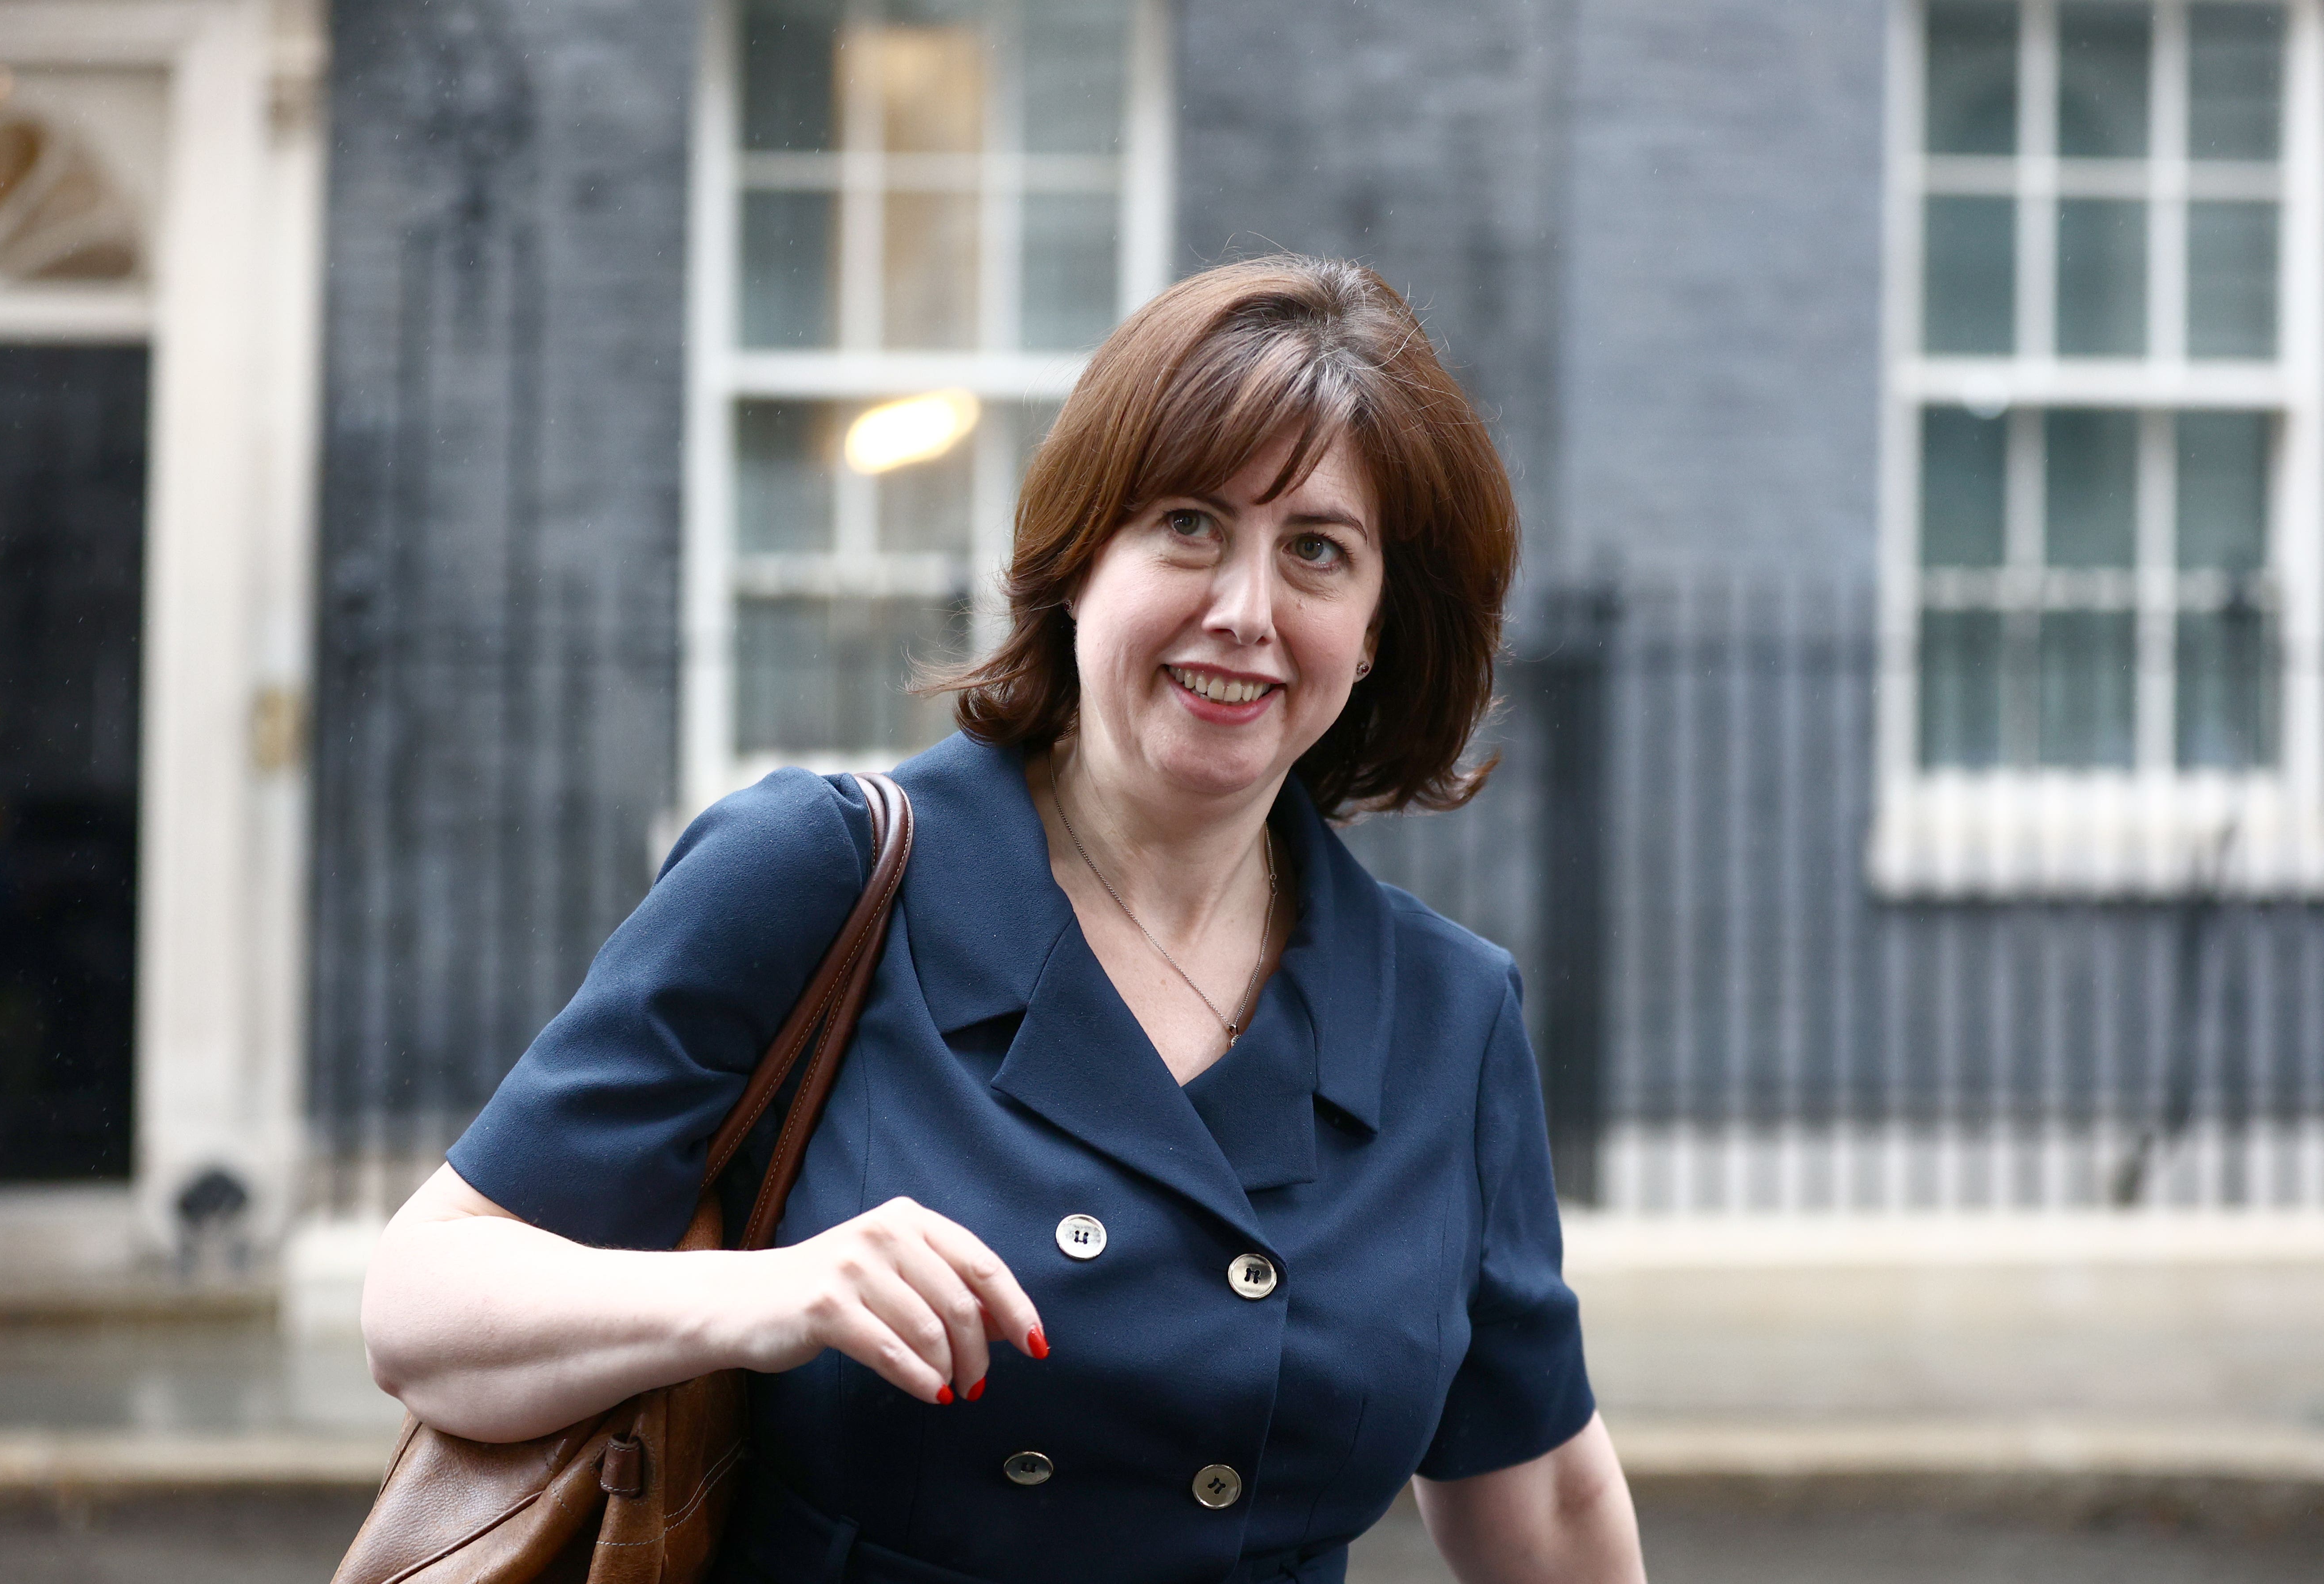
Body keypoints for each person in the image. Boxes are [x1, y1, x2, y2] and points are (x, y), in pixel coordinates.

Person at [360, 255, 1645, 1584]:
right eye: (1191, 526)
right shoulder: (817, 876)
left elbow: (1540, 1491)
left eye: (1317, 552)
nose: (1245, 612)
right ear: (1081, 555)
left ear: (1374, 630)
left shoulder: (1443, 1014)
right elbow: (420, 1305)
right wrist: (764, 1296)